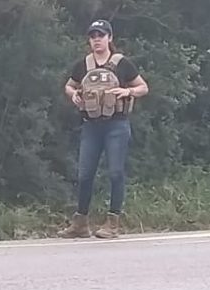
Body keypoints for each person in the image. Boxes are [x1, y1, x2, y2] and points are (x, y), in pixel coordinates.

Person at [58, 19, 149, 239]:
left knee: (116, 172)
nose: (97, 39)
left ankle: (113, 222)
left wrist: (128, 92)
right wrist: (74, 95)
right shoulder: (83, 65)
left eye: (101, 35)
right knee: (85, 174)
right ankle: (80, 223)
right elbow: (69, 85)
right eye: (93, 36)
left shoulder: (122, 63)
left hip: (116, 124)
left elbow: (143, 87)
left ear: (110, 38)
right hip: (91, 126)